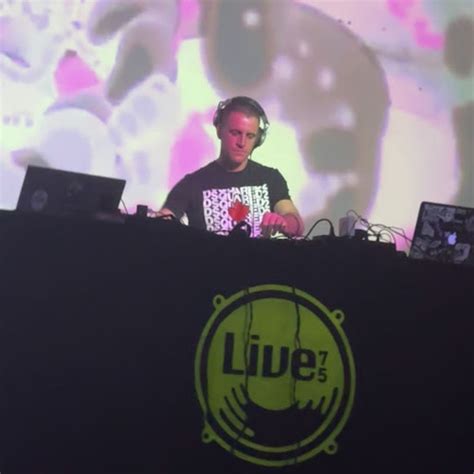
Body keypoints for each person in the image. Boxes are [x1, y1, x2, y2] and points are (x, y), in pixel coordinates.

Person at [158, 96, 304, 238]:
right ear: (219, 130)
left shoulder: (270, 178)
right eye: (235, 133)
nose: (242, 143)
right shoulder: (192, 183)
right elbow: (163, 221)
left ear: (258, 139)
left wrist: (284, 222)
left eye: (250, 136)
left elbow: (297, 224)